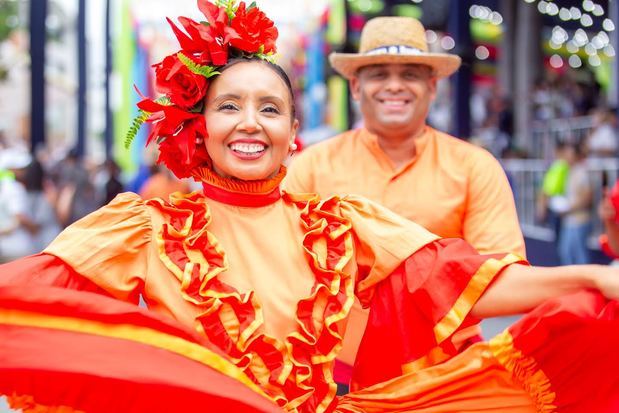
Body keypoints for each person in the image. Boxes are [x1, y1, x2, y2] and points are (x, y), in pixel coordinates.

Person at [1, 2, 619, 412]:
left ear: (294, 128)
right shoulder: (145, 226)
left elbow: (466, 281)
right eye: (229, 106)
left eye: (270, 108)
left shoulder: (338, 221)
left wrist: (594, 275)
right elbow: (35, 299)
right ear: (200, 124)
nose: (250, 123)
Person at [284, 16, 525, 381]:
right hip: (338, 375)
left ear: (431, 86)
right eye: (379, 74)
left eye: (409, 74)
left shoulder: (474, 166)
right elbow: (281, 271)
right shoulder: (311, 167)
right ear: (355, 85)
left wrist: (586, 281)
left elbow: (505, 277)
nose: (394, 86)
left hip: (451, 373)